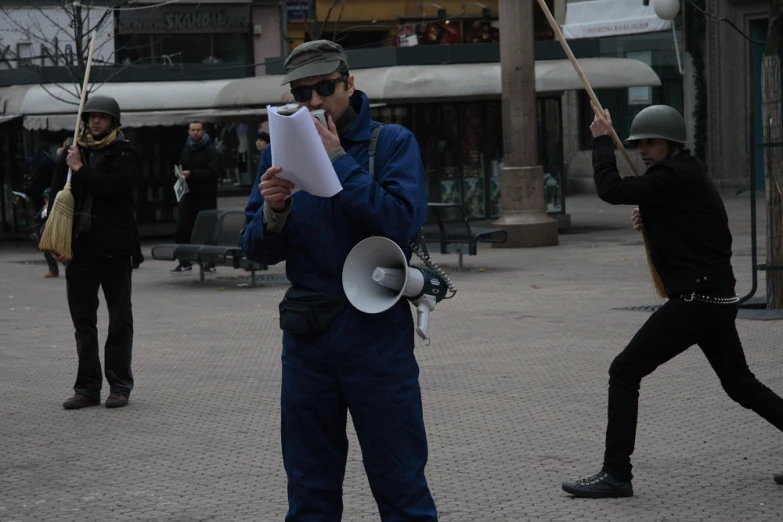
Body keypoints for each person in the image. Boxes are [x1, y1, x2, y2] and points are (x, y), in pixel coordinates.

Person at [240, 40, 438, 521]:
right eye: (301, 91)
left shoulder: (390, 143)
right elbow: (255, 251)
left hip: (375, 337)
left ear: (350, 83)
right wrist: (275, 209)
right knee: (309, 486)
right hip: (308, 338)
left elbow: (401, 221)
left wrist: (340, 162)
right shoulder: (281, 151)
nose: (312, 101)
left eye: (324, 88)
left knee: (400, 481)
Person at [561, 103, 783, 498]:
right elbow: (695, 226)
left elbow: (611, 190)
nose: (643, 149)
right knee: (739, 385)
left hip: (696, 301)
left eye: (651, 142)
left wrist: (601, 141)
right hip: (715, 298)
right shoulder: (686, 174)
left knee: (625, 371)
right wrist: (655, 217)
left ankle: (616, 474)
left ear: (672, 143)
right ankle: (615, 473)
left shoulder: (672, 175)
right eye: (639, 143)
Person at [49, 95, 139, 410]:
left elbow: (113, 188)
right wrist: (58, 243)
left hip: (115, 249)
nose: (95, 121)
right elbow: (59, 198)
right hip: (80, 250)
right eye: (91, 117)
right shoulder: (73, 152)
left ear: (114, 121)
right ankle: (87, 388)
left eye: (102, 117)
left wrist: (80, 168)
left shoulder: (124, 152)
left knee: (119, 320)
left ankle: (120, 386)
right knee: (83, 322)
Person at [172, 121, 219, 273]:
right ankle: (184, 261)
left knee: (206, 229)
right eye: (193, 130)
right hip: (188, 195)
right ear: (188, 131)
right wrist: (179, 173)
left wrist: (192, 174)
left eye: (198, 130)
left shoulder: (211, 151)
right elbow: (181, 165)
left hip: (205, 197)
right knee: (183, 228)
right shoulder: (186, 149)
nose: (195, 133)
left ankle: (209, 262)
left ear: (203, 131)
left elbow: (213, 173)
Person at [33, 187, 59, 278]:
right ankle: (53, 270)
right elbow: (37, 219)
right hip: (48, 234)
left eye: (47, 197)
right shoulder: (44, 207)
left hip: (58, 232)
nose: (46, 200)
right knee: (48, 252)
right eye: (45, 198)